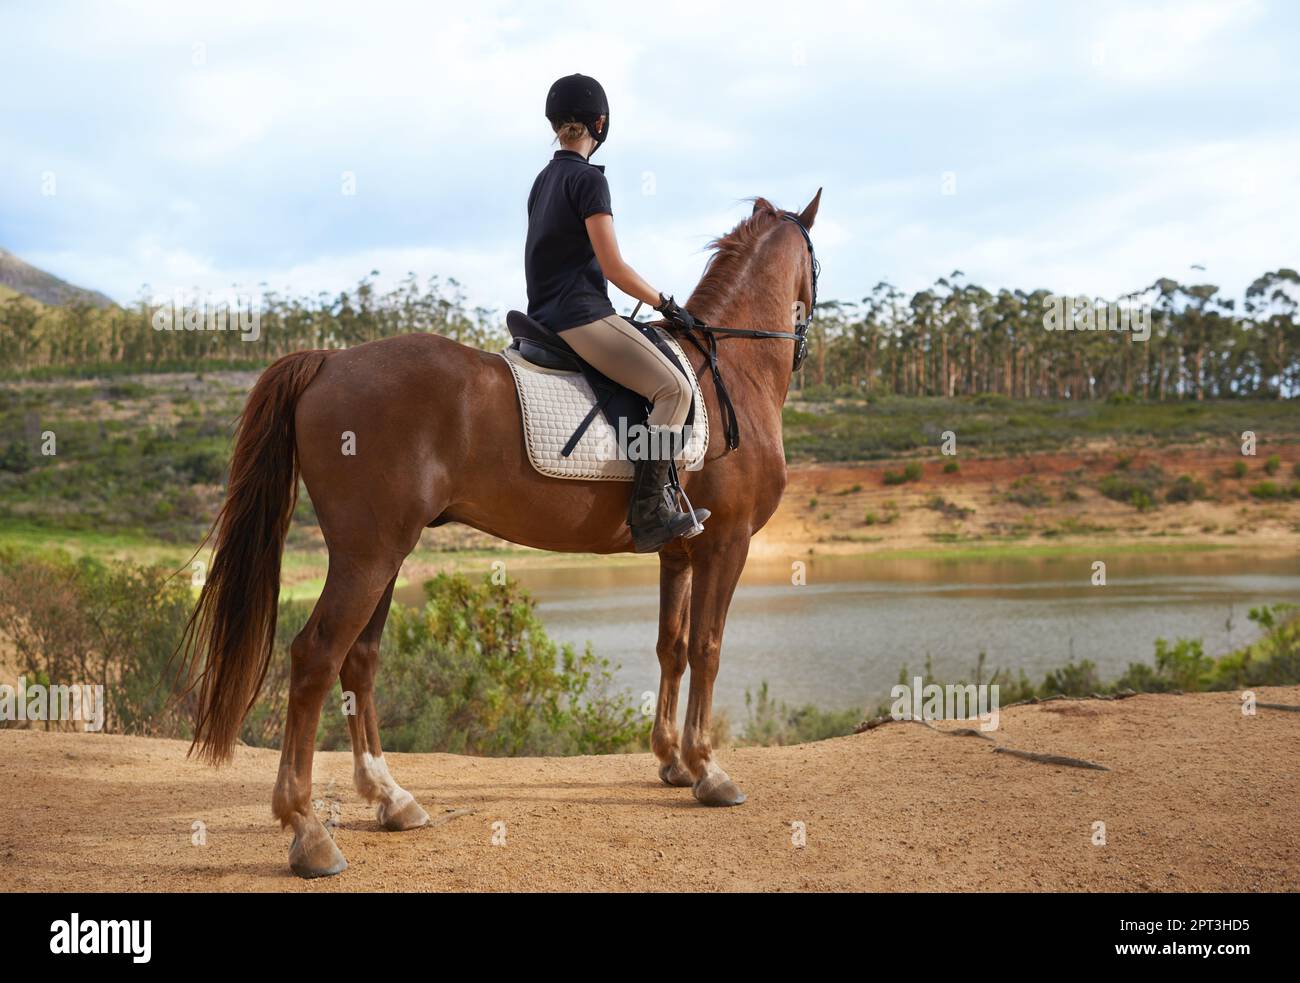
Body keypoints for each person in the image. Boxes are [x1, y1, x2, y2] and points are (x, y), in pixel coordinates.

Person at [525, 73, 709, 553]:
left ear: (554, 124)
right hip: (581, 316)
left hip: (544, 314)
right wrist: (667, 305)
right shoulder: (588, 180)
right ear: (599, 124)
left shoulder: (542, 182)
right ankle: (651, 512)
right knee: (674, 388)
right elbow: (614, 267)